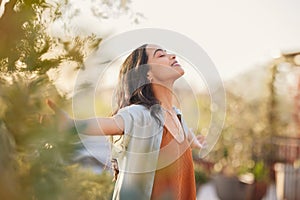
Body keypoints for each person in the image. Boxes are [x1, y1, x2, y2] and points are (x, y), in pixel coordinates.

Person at [47, 44, 206, 200]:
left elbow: (184, 138)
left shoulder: (178, 117)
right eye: (161, 55)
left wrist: (195, 143)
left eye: (168, 52)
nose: (172, 56)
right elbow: (111, 124)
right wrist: (71, 125)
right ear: (147, 74)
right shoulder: (140, 114)